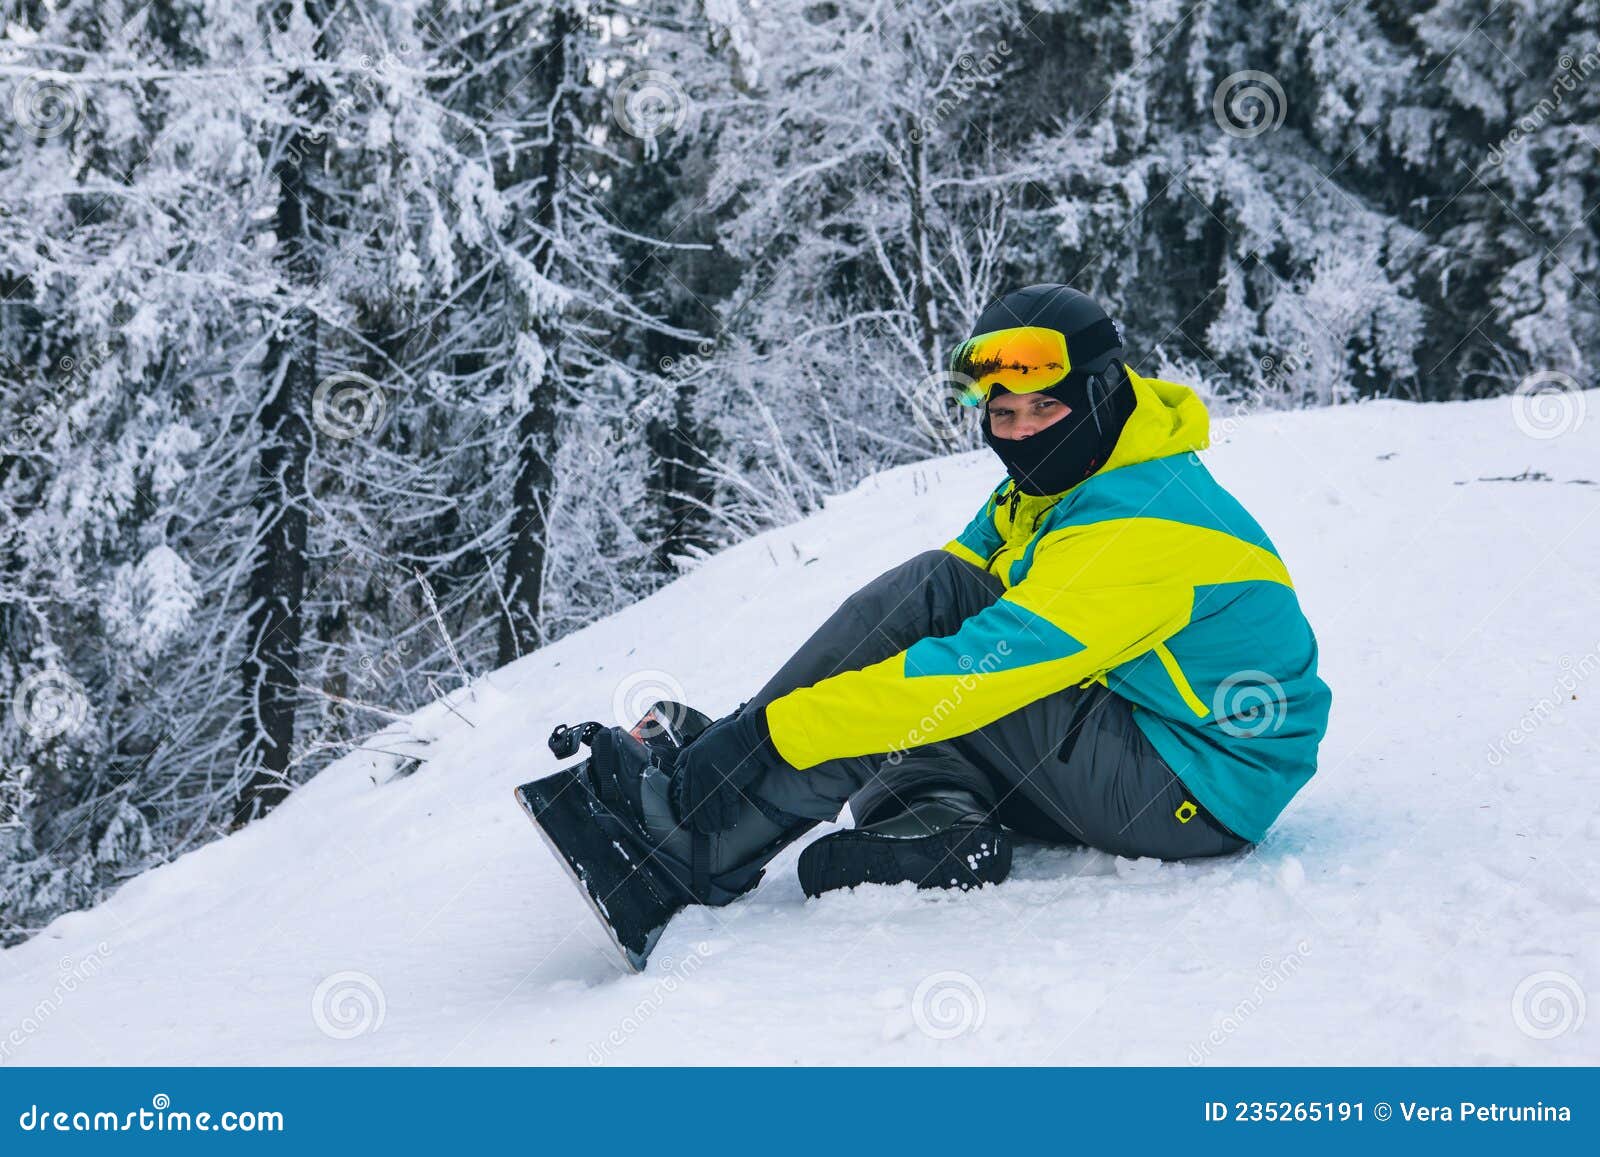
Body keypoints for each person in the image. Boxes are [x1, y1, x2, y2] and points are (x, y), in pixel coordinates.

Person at [550, 284, 1331, 956]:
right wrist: (753, 726)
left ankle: (704, 845)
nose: (1019, 432)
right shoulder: (1069, 477)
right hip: (1153, 736)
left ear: (1098, 396)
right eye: (1002, 412)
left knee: (945, 657)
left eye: (1043, 408)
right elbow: (909, 614)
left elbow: (971, 669)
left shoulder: (1139, 524)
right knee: (934, 606)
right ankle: (931, 819)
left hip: (1197, 783)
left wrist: (766, 736)